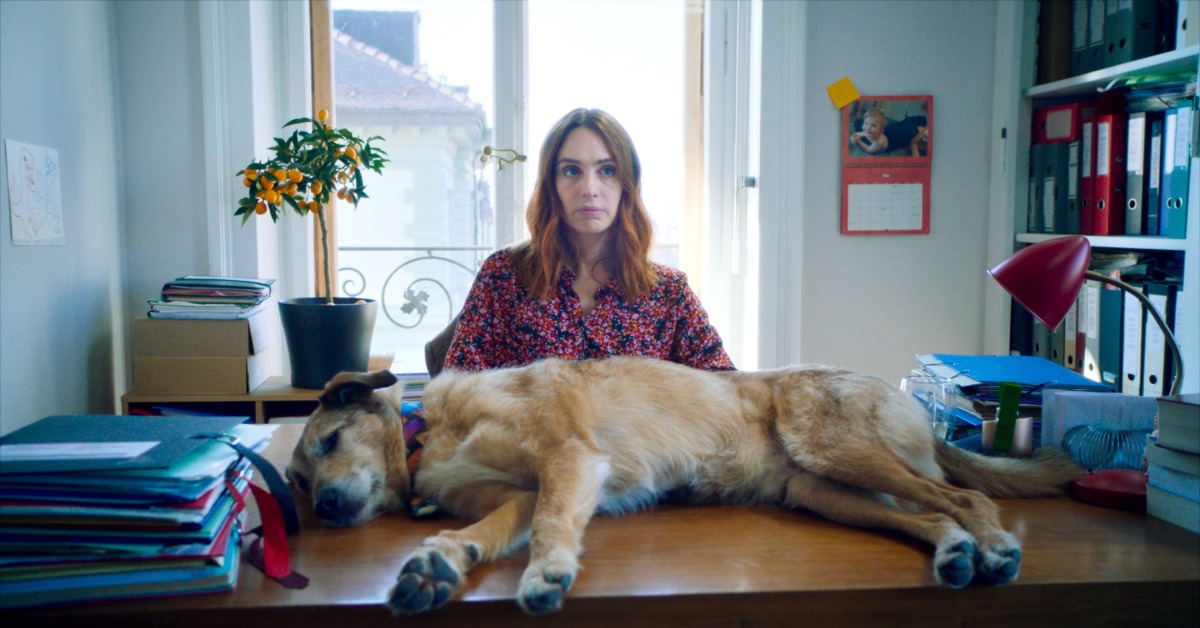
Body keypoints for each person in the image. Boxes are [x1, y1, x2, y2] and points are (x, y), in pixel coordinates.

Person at [442, 108, 734, 373]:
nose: (589, 188)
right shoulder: (502, 275)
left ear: (627, 184)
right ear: (551, 184)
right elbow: (457, 390)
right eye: (571, 171)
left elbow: (725, 388)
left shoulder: (669, 292)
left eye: (607, 171)